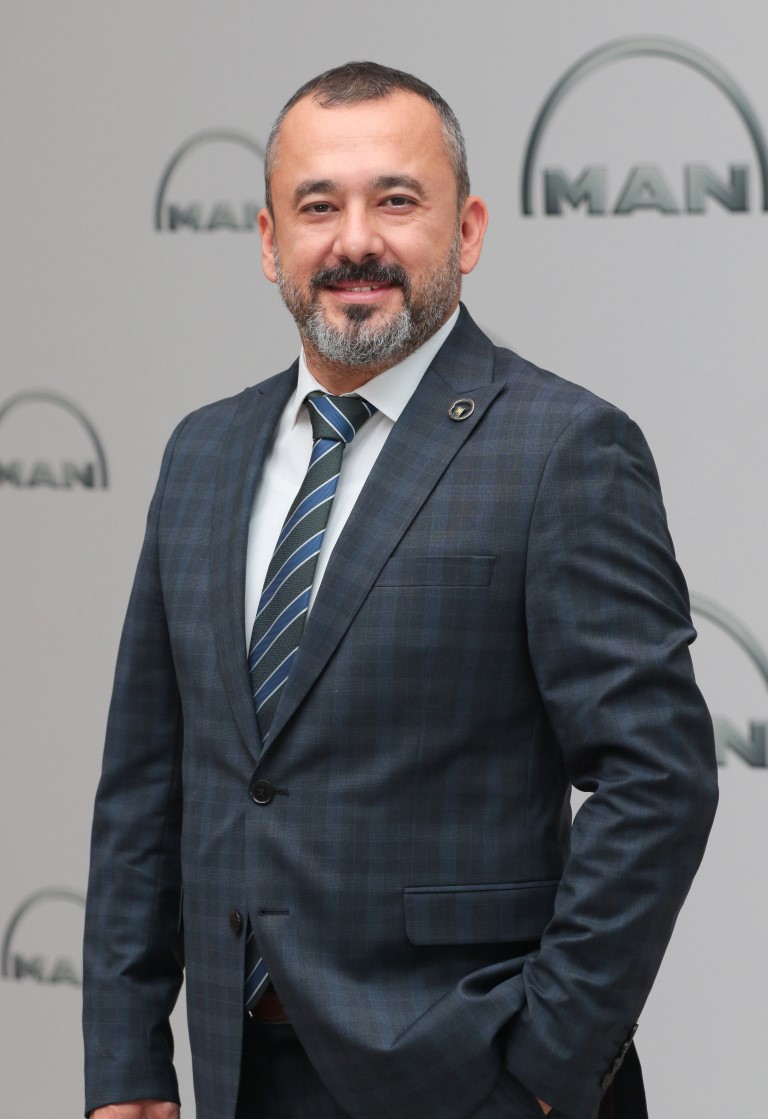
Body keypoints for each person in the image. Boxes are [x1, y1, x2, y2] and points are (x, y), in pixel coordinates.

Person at [83, 62, 718, 1119]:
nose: (355, 241)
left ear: (466, 232)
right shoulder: (202, 453)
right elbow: (145, 785)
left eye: (396, 200)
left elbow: (659, 780)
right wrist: (125, 1066)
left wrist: (547, 1069)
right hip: (241, 1077)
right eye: (317, 206)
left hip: (476, 1073)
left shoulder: (563, 448)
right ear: (269, 241)